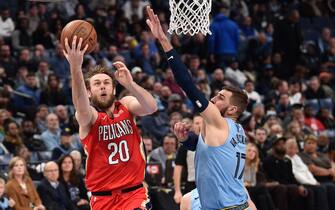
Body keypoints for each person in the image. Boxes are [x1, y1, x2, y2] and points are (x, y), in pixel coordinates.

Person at [146, 6, 255, 210]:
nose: (213, 98)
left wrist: (163, 40)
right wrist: (187, 140)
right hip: (233, 203)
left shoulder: (219, 122)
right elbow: (207, 149)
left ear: (232, 110)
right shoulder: (237, 131)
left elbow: (186, 83)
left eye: (220, 98)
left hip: (226, 207)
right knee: (188, 201)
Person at [62, 33, 157, 209]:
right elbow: (81, 108)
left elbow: (151, 107)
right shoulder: (90, 116)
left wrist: (130, 85)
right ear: (89, 92)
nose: (103, 86)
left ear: (113, 89)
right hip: (102, 198)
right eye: (97, 84)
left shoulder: (126, 105)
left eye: (107, 82)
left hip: (134, 194)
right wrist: (75, 68)